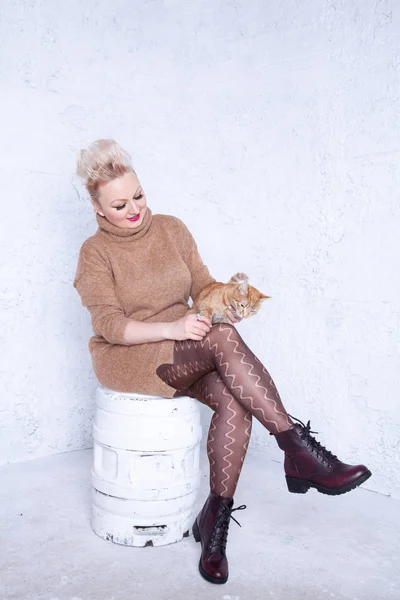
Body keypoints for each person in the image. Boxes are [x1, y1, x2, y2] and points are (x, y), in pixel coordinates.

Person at [73, 139, 372, 585]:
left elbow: (202, 285)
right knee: (225, 341)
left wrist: (226, 299)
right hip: (132, 356)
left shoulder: (172, 229)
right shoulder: (94, 253)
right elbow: (112, 326)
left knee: (235, 396)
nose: (135, 209)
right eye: (120, 204)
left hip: (188, 347)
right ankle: (298, 450)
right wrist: (173, 329)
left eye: (139, 195)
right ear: (98, 209)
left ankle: (215, 520)